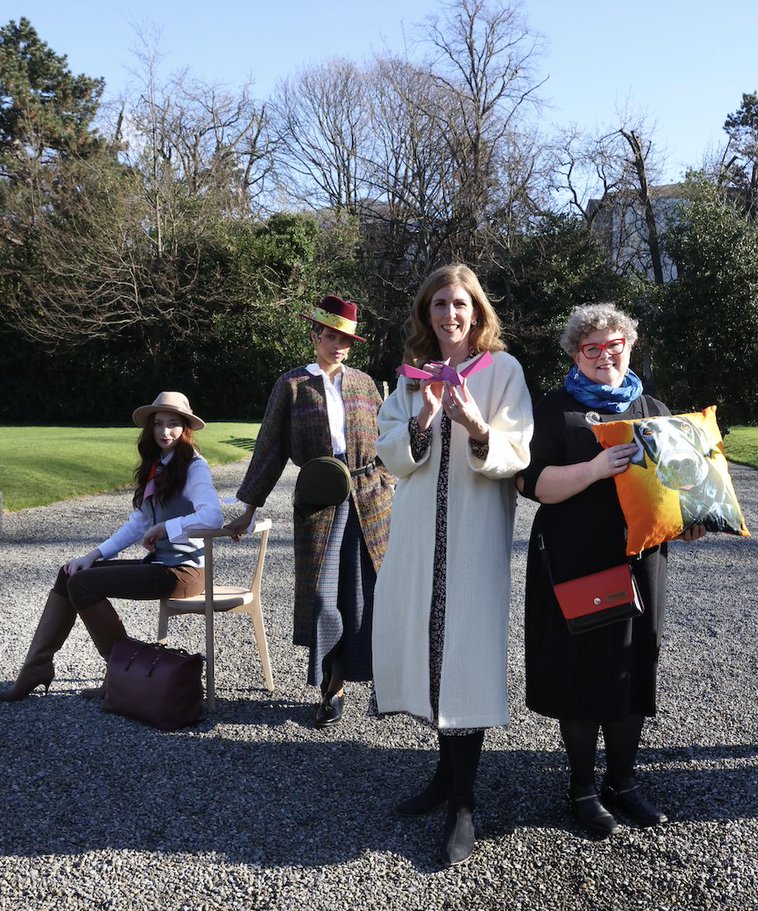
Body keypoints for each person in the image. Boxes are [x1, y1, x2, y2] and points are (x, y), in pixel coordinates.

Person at [518, 303, 705, 840]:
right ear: (577, 353)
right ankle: (581, 789)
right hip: (576, 556)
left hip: (642, 560)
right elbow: (532, 485)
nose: (604, 355)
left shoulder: (654, 408)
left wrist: (687, 522)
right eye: (591, 348)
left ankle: (623, 782)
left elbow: (679, 486)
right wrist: (597, 467)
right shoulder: (555, 409)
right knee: (581, 669)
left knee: (631, 667)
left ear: (630, 345)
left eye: (613, 344)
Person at [373, 264, 533, 866]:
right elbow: (393, 454)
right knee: (431, 647)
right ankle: (443, 778)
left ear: (477, 310)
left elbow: (517, 448)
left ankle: (463, 802)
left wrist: (473, 424)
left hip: (472, 533)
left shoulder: (504, 371)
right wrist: (423, 412)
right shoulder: (411, 377)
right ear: (426, 312)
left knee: (464, 650)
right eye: (439, 303)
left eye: (460, 303)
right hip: (418, 533)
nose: (449, 314)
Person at [227, 296, 392, 729]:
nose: (338, 345)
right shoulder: (293, 385)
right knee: (322, 597)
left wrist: (390, 481)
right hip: (319, 501)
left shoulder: (364, 383)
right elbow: (270, 448)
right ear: (316, 335)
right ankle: (330, 679)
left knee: (362, 595)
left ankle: (341, 685)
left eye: (346, 339)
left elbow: (387, 438)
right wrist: (248, 507)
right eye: (332, 335)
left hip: (369, 498)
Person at [1, 392, 222, 703]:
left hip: (184, 573)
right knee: (70, 573)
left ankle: (122, 673)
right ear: (150, 429)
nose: (165, 431)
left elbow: (212, 515)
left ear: (185, 428)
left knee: (83, 586)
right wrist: (93, 555)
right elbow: (137, 524)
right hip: (160, 565)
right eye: (158, 424)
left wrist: (168, 527)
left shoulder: (195, 467)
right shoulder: (158, 466)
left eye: (173, 424)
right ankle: (36, 668)